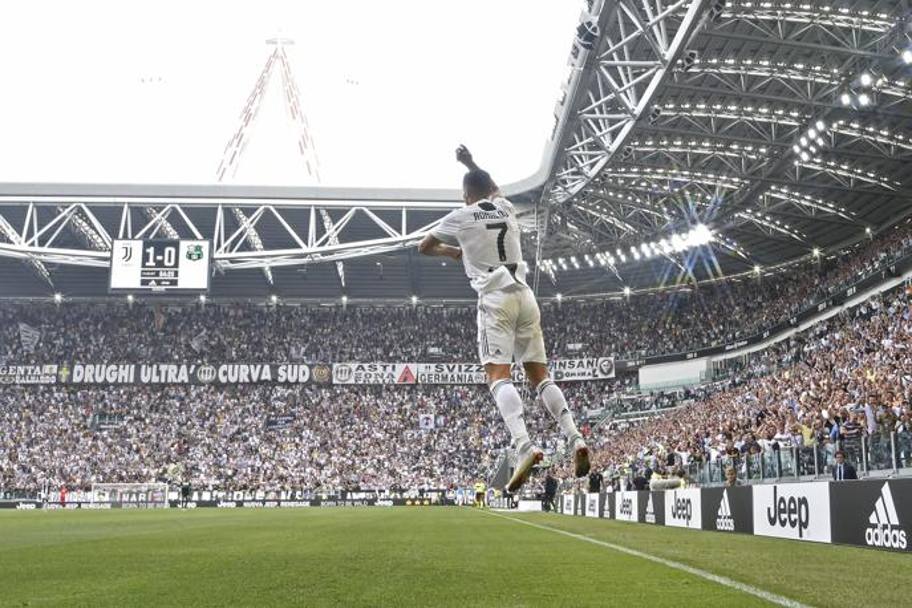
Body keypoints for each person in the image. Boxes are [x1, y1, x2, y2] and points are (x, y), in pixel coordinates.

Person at [418, 145, 590, 493]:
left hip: (495, 298)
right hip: (525, 294)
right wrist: (470, 163)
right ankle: (575, 438)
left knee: (498, 375)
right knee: (541, 377)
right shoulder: (506, 207)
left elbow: (424, 245)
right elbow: (492, 187)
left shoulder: (461, 216)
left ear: (466, 195)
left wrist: (454, 251)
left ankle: (525, 445)